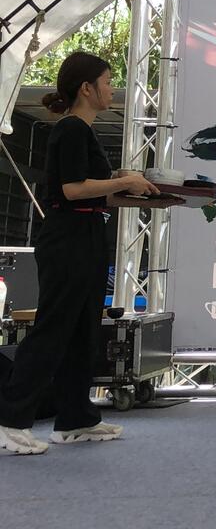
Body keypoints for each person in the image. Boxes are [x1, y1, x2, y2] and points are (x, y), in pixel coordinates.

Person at [0, 52, 158, 455]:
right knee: (54, 328)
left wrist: (150, 196)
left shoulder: (82, 132)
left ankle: (75, 418)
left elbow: (94, 194)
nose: (111, 90)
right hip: (67, 237)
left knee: (83, 329)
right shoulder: (70, 128)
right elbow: (71, 190)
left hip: (87, 232)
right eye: (107, 82)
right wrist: (122, 182)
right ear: (86, 88)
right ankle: (11, 420)